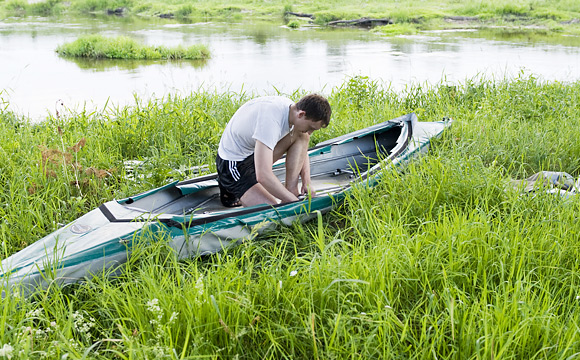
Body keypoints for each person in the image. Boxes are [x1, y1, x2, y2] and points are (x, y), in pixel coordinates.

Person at [216, 94, 331, 207]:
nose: (310, 132)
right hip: (233, 164)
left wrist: (307, 182)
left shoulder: (293, 111)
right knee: (272, 210)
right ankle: (228, 187)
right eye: (311, 128)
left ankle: (291, 190)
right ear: (301, 114)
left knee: (302, 135)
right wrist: (295, 203)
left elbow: (302, 148)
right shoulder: (270, 121)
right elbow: (263, 176)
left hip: (254, 153)